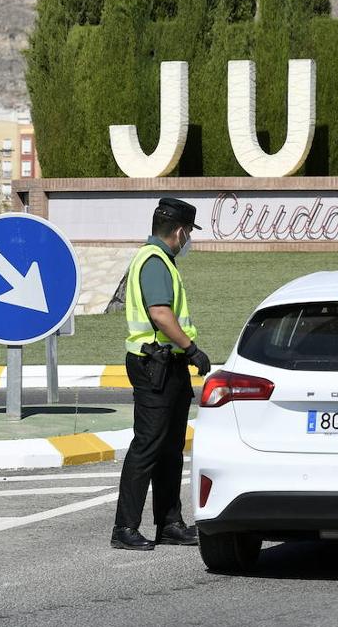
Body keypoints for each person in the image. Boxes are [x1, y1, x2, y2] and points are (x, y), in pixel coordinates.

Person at [111, 198, 212, 550]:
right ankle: (124, 528)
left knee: (169, 446)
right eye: (189, 235)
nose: (188, 242)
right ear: (181, 231)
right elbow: (160, 313)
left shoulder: (156, 259)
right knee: (148, 445)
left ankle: (169, 522)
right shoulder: (154, 262)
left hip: (167, 365)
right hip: (155, 364)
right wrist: (192, 348)